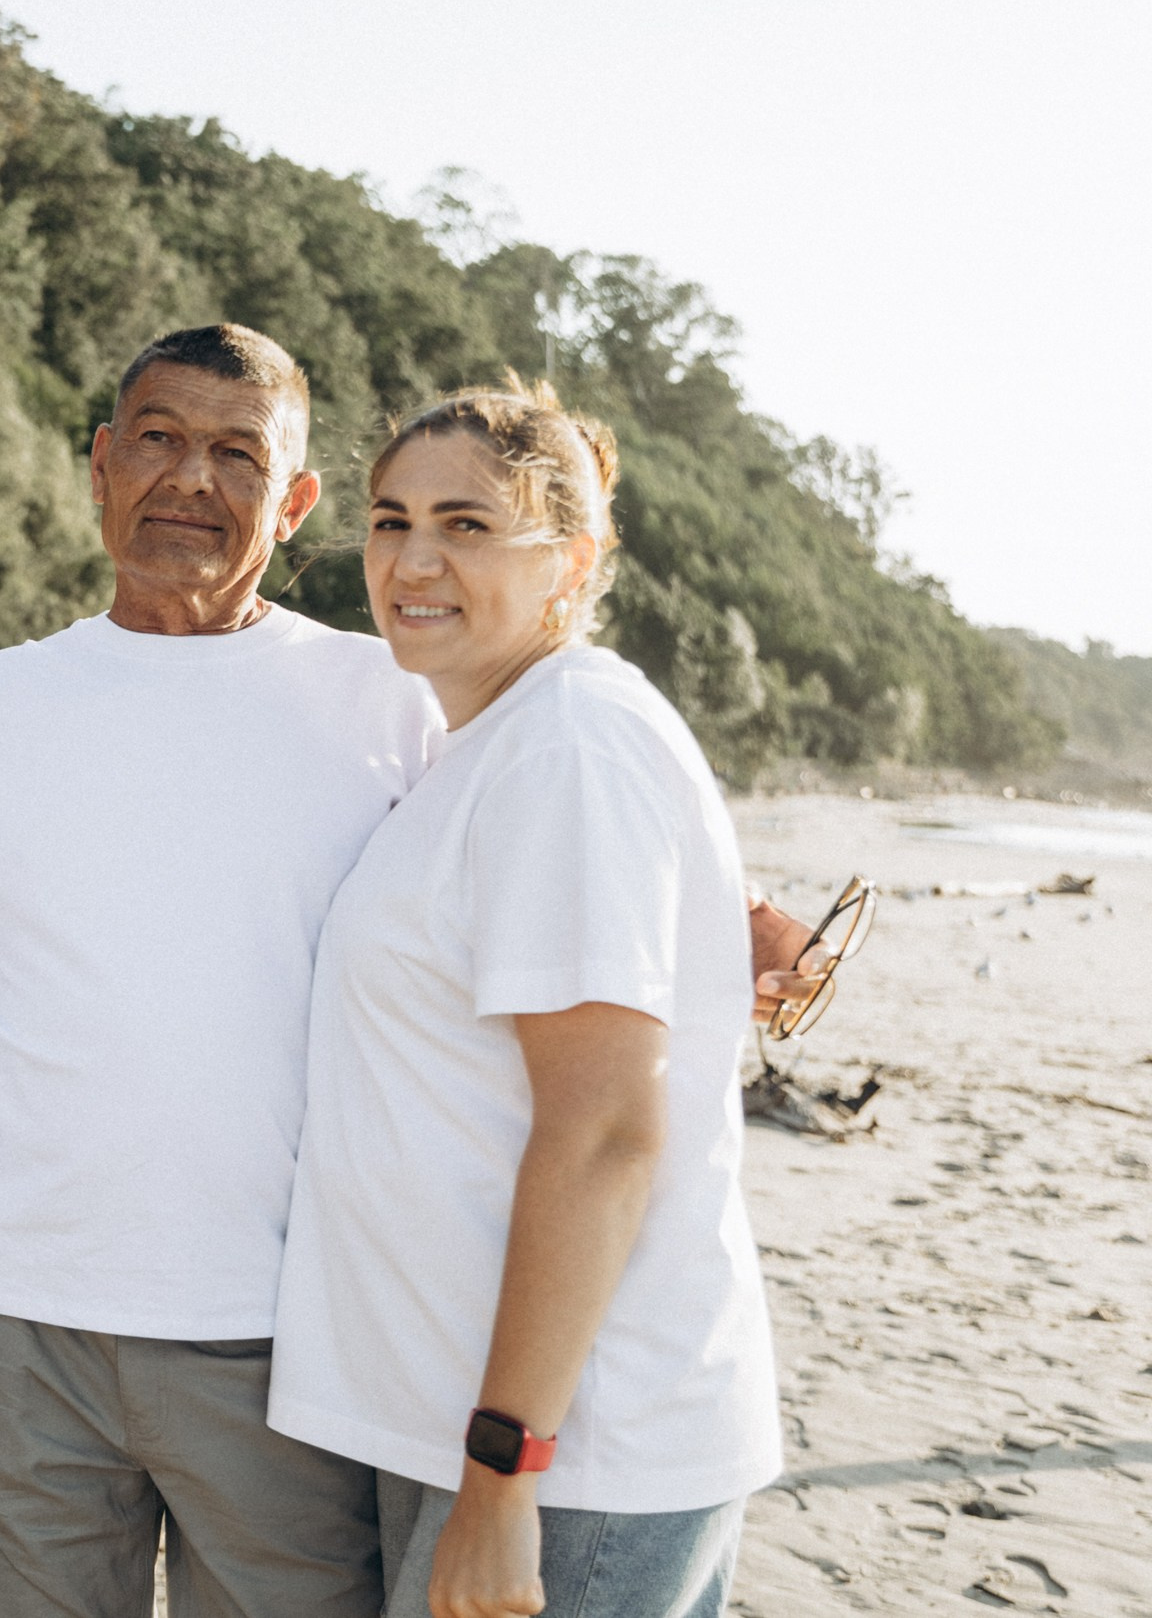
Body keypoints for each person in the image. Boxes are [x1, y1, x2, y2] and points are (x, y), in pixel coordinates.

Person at [0, 324, 437, 1616]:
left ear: (295, 501)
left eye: (238, 454)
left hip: (283, 1327)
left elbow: (546, 842)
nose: (191, 477)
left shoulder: (388, 700)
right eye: (159, 438)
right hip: (11, 1318)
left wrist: (740, 910)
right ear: (101, 465)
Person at [266, 382, 781, 1618]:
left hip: (571, 1458)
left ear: (572, 561)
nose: (413, 561)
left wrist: (506, 1474)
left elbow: (606, 1134)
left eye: (467, 525)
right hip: (481, 1426)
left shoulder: (569, 747)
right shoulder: (500, 740)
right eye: (390, 522)